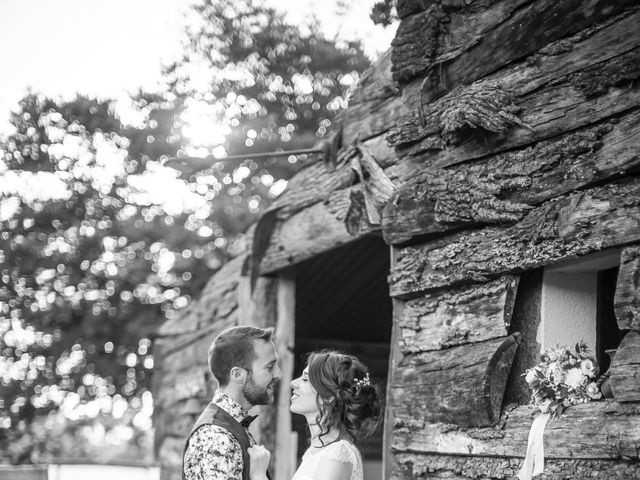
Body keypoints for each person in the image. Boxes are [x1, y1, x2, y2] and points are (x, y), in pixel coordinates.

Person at [249, 350, 382, 480]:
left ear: (329, 396)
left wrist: (259, 476)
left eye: (305, 379)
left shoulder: (338, 453)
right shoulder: (316, 452)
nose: (293, 383)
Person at [183, 325, 281, 480]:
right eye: (270, 367)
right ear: (238, 375)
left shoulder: (231, 426)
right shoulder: (215, 438)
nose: (278, 374)